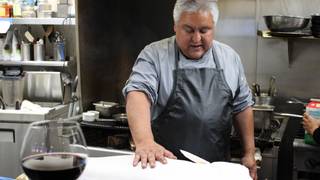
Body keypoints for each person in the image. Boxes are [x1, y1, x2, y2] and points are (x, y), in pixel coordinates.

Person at [122, 0, 257, 179]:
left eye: (204, 30)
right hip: (166, 168)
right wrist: (145, 141)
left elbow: (242, 106)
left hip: (216, 171)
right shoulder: (154, 54)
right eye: (188, 30)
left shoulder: (229, 58)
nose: (196, 39)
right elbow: (138, 93)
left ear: (213, 27)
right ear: (175, 27)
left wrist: (249, 153)